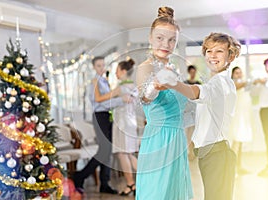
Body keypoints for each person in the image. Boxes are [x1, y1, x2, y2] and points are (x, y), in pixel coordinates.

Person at [159, 32, 241, 200]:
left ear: (230, 56)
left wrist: (172, 82)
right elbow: (197, 109)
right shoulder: (214, 82)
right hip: (210, 154)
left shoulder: (221, 82)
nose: (213, 55)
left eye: (219, 51)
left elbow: (195, 91)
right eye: (209, 51)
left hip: (217, 154)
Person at [135, 6, 193, 200]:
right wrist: (155, 87)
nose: (166, 44)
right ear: (150, 38)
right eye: (160, 38)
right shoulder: (146, 67)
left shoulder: (173, 68)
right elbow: (144, 97)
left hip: (177, 139)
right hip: (159, 140)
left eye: (172, 40)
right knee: (157, 193)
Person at [73, 56, 131, 194]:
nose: (102, 68)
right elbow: (99, 102)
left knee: (108, 150)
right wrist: (120, 100)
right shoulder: (93, 83)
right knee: (104, 150)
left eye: (103, 65)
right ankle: (80, 176)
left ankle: (104, 184)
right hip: (100, 117)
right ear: (94, 67)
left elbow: (109, 100)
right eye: (99, 65)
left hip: (107, 117)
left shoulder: (104, 81)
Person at [112, 58, 138, 196]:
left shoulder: (121, 88)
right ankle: (140, 181)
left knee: (122, 154)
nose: (115, 74)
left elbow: (101, 100)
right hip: (131, 123)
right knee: (128, 153)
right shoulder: (133, 86)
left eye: (117, 71)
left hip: (122, 123)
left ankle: (131, 184)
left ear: (123, 71)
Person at [230, 66, 253, 175]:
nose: (239, 75)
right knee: (235, 143)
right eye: (236, 73)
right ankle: (233, 169)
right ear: (232, 75)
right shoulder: (232, 85)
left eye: (240, 73)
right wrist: (250, 81)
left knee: (240, 142)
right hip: (235, 118)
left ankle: (239, 167)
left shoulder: (243, 85)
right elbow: (239, 85)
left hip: (242, 117)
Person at [184, 65, 200, 160]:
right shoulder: (185, 83)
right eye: (191, 72)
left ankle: (194, 152)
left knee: (195, 134)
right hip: (187, 111)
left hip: (196, 111)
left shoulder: (198, 84)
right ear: (189, 72)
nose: (193, 74)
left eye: (194, 72)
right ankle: (191, 153)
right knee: (189, 134)